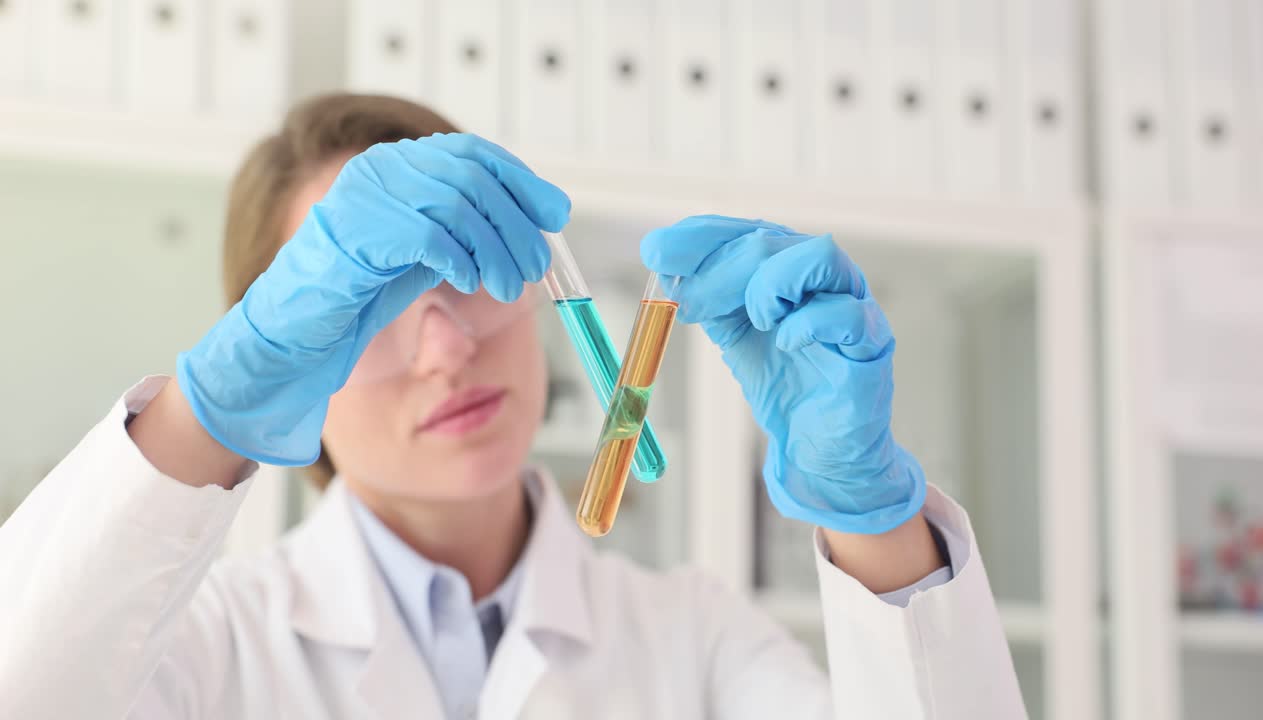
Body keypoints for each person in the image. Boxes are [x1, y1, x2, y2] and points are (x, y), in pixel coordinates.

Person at [0, 94, 1024, 719]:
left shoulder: (696, 641)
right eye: (373, 305)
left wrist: (870, 516)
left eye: (466, 274)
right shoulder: (210, 646)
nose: (446, 346)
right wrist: (211, 403)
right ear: (286, 341)